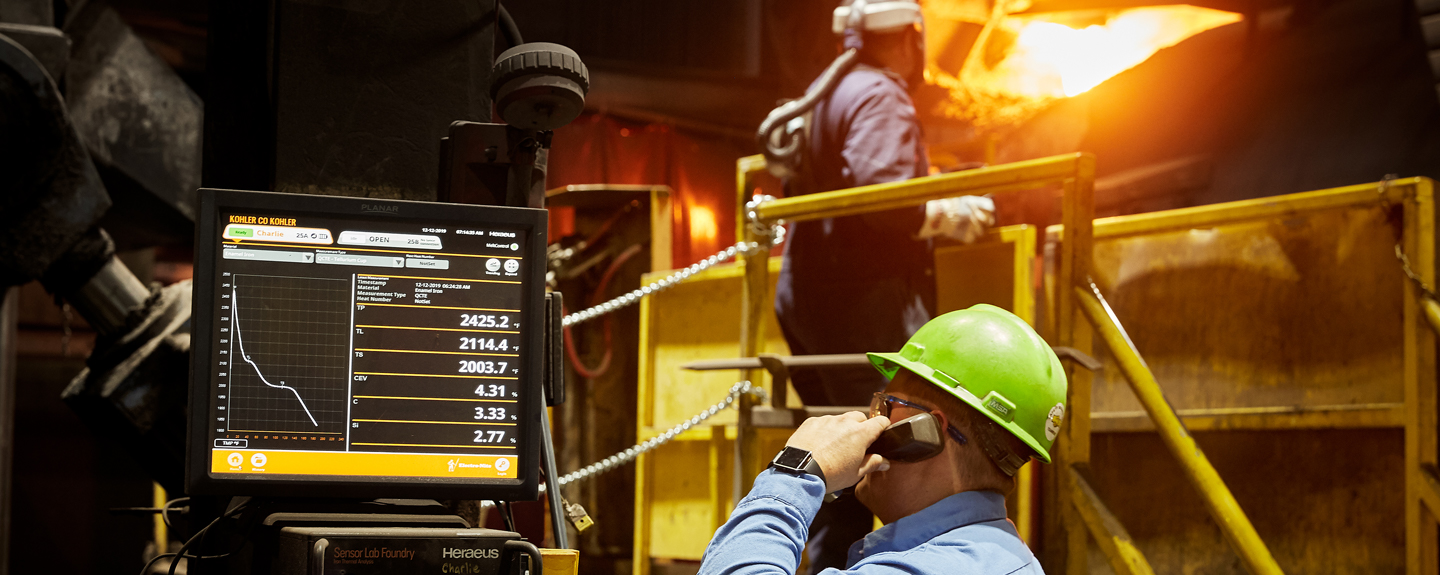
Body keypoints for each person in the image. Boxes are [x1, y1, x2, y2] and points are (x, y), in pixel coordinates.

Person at [772, 1, 994, 570]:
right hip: (862, 303)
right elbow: (880, 193)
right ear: (911, 36)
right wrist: (941, 213)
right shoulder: (879, 94)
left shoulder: (833, 94)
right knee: (880, 461)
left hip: (814, 299)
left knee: (844, 470)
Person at [698, 304, 1067, 575]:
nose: (870, 418)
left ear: (925, 432)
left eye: (886, 405)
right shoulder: (1004, 557)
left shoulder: (928, 568)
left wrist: (794, 472)